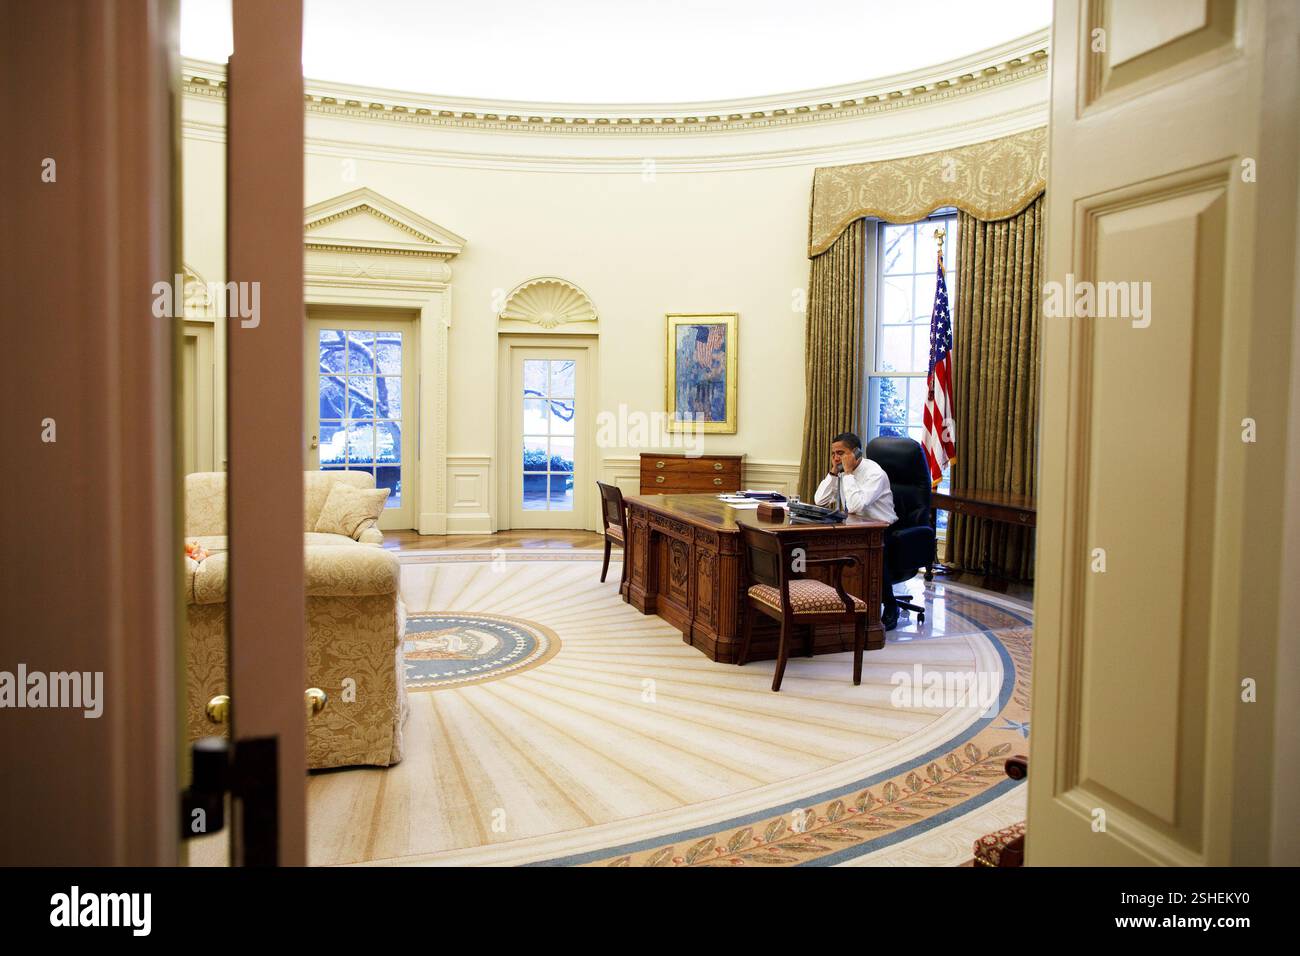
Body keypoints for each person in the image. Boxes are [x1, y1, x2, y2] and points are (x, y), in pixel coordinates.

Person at [813, 431, 903, 630]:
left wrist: (849, 475)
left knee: (873, 560)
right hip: (854, 526)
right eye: (834, 453)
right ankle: (842, 602)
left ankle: (890, 606)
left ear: (856, 453)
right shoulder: (843, 471)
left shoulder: (874, 474)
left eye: (841, 453)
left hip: (881, 529)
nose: (837, 458)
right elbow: (819, 500)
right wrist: (834, 473)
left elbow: (855, 505)